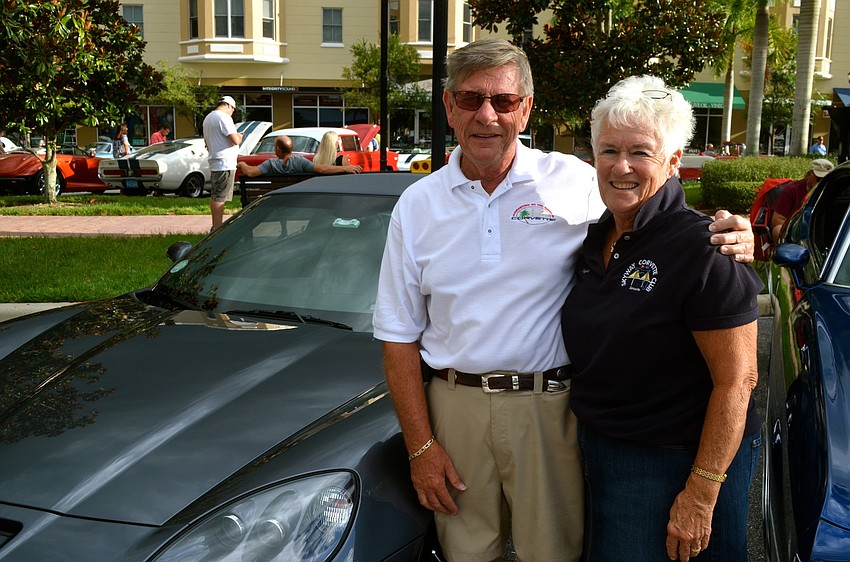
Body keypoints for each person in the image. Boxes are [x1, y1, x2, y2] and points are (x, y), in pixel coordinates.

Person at [372, 38, 754, 562]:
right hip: (453, 406)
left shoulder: (576, 181)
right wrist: (420, 446)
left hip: (549, 408)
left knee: (553, 553)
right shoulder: (416, 205)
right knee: (464, 553)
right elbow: (398, 336)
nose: (487, 115)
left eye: (504, 101)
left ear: (525, 109)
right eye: (470, 99)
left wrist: (735, 233)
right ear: (449, 108)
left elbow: (650, 206)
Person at [561, 75, 763, 562]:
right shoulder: (594, 238)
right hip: (598, 449)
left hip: (677, 459)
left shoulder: (707, 247)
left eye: (641, 152)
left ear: (675, 162)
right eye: (608, 150)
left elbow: (739, 381)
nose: (621, 166)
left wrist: (702, 491)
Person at [203, 96, 243, 229]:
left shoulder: (208, 118)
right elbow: (235, 140)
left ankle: (216, 225)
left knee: (216, 195)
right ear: (228, 106)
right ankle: (217, 228)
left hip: (215, 161)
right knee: (219, 197)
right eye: (233, 109)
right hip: (224, 162)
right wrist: (240, 136)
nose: (232, 112)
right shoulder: (224, 117)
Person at [236, 135, 362, 177]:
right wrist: (345, 168)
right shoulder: (300, 162)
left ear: (278, 150)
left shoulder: (270, 164)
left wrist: (241, 163)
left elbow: (251, 172)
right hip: (298, 200)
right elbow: (322, 169)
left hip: (278, 203)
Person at [770, 158, 834, 239]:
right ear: (809, 174)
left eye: (825, 180)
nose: (821, 183)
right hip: (794, 232)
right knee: (777, 229)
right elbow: (776, 220)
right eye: (819, 179)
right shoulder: (791, 190)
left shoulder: (831, 191)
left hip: (821, 232)